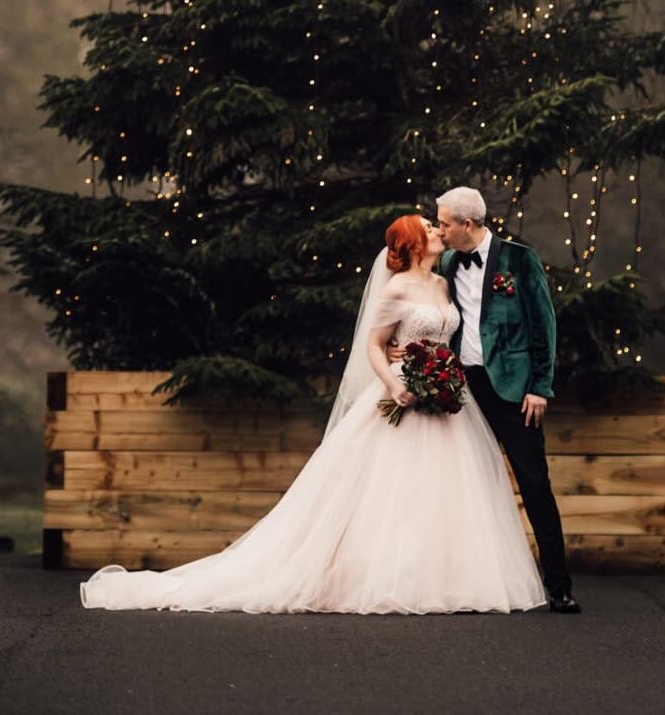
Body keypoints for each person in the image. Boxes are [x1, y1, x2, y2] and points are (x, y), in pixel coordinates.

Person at [78, 213, 547, 614]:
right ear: (414, 242)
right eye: (429, 225)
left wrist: (442, 372)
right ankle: (381, 576)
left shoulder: (443, 281)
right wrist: (393, 383)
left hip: (446, 398)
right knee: (390, 491)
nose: (436, 228)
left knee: (449, 491)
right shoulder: (399, 287)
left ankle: (450, 577)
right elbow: (373, 344)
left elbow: (456, 331)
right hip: (403, 392)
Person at [413, 186, 579, 614]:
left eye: (445, 222)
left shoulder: (520, 260)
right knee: (465, 484)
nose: (441, 229)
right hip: (463, 390)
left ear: (467, 224)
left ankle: (559, 586)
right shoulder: (446, 263)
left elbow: (544, 326)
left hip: (514, 391)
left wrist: (540, 387)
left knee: (535, 483)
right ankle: (468, 585)